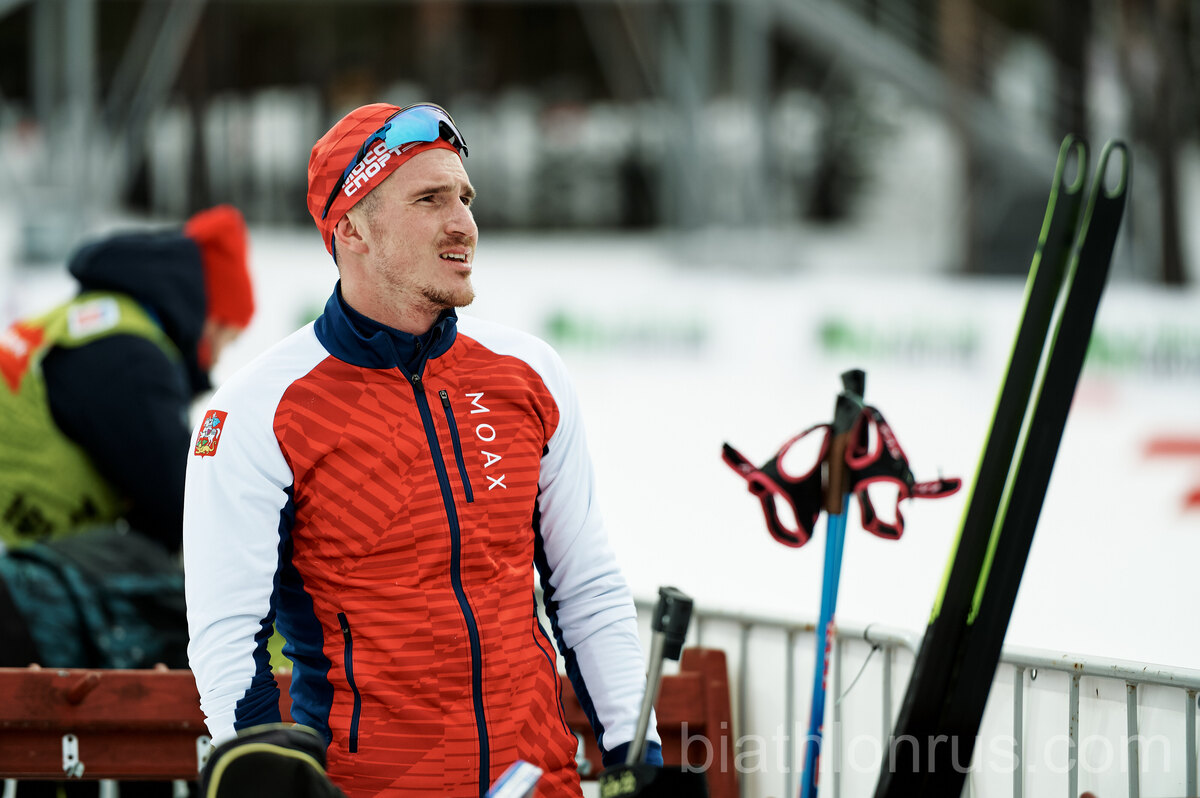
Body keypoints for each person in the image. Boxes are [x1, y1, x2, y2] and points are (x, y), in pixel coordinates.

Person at [183, 102, 661, 798]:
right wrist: (261, 772)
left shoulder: (527, 373)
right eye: (430, 199)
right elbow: (228, 637)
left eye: (465, 197)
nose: (463, 223)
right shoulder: (258, 410)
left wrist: (636, 753)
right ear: (351, 228)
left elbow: (585, 587)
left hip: (538, 784)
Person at [0, 207, 255, 797]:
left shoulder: (95, 326)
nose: (219, 358)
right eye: (227, 334)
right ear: (207, 316)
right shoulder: (128, 356)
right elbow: (186, 510)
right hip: (25, 591)